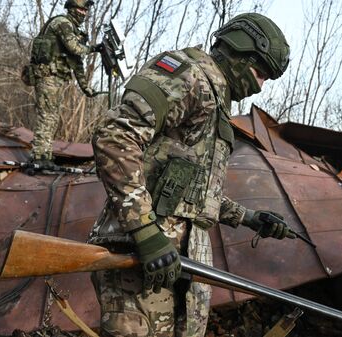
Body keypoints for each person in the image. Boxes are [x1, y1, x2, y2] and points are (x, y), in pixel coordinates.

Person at [89, 13, 293, 337]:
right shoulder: (188, 75)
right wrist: (145, 231)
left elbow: (190, 192)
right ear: (239, 52)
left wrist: (249, 218)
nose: (260, 87)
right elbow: (115, 135)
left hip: (182, 264)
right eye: (260, 74)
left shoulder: (216, 103)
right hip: (141, 261)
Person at [28, 0, 102, 166]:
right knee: (47, 116)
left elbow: (77, 63)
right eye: (81, 9)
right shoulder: (62, 23)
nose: (83, 13)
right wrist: (95, 48)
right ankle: (39, 157)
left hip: (57, 79)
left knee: (52, 118)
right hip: (48, 76)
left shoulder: (74, 29)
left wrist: (86, 87)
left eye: (85, 10)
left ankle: (44, 155)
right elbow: (75, 48)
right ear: (71, 8)